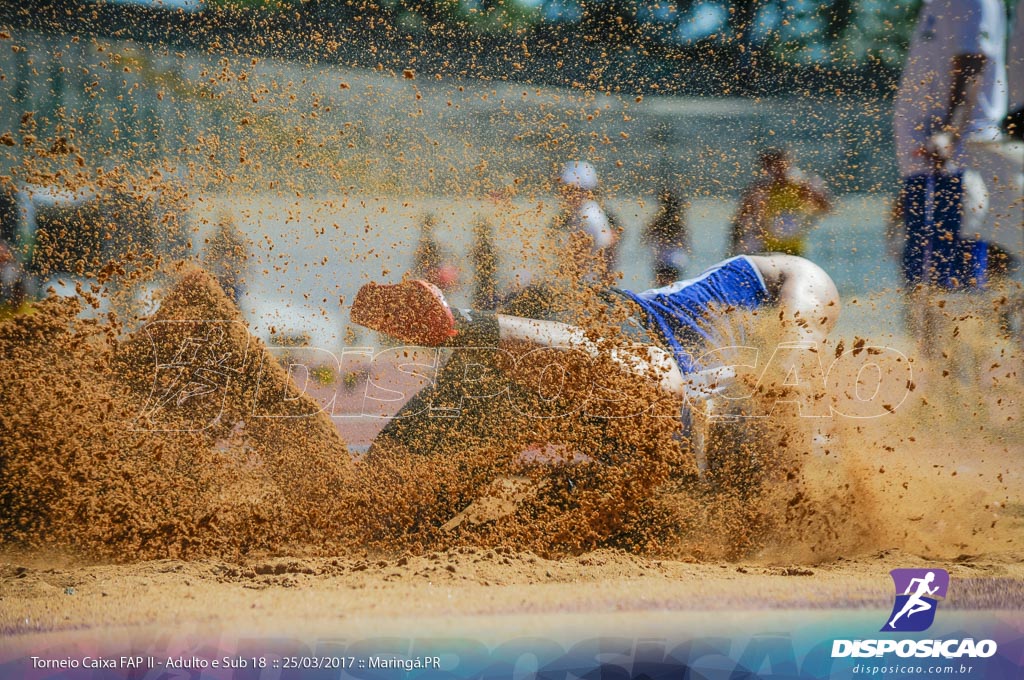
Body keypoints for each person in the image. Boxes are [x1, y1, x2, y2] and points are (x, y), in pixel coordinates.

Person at [351, 254, 840, 461]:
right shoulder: (741, 295)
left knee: (380, 507)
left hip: (528, 395)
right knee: (660, 386)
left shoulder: (694, 467)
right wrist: (796, 362)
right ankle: (457, 324)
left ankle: (269, 387)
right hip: (594, 325)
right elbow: (808, 278)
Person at [894, 0, 1021, 280]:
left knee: (952, 269)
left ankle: (971, 322)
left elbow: (973, 62)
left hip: (955, 156)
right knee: (924, 267)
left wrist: (950, 132)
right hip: (929, 159)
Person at [729, 149, 832, 257]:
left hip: (794, 249)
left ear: (787, 164)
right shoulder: (761, 190)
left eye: (778, 165)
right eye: (769, 167)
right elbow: (740, 220)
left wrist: (809, 191)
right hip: (765, 250)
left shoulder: (800, 186)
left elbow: (826, 208)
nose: (774, 170)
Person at [549, 161, 620, 285]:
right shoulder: (577, 212)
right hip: (582, 285)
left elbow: (580, 263)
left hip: (586, 287)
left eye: (571, 189)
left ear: (586, 191)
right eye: (564, 187)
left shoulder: (589, 217)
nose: (564, 192)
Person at [643, 187, 691, 287]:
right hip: (677, 259)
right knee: (673, 287)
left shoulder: (659, 221)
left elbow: (645, 238)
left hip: (662, 258)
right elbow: (686, 243)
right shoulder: (679, 221)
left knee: (662, 288)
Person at [202, 213, 249, 305]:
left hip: (233, 281)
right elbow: (207, 260)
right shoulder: (214, 242)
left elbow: (245, 262)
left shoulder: (236, 242)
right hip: (219, 279)